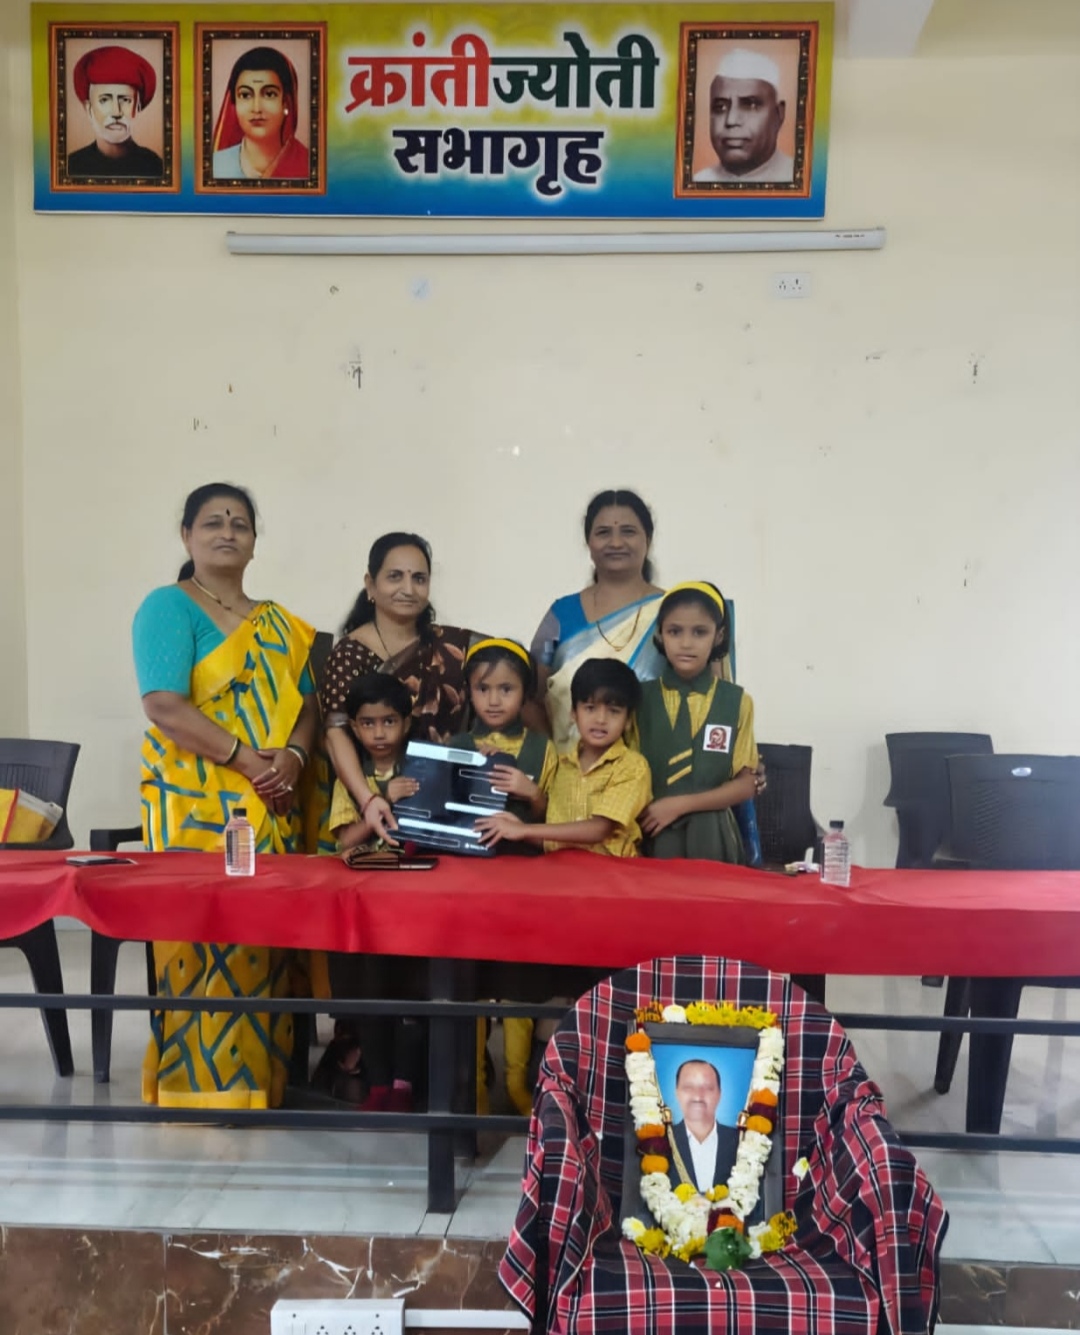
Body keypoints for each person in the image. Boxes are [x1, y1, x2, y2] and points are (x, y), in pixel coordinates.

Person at [132, 483, 317, 1110]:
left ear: (255, 542)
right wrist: (245, 760)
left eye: (240, 523)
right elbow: (164, 704)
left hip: (273, 798)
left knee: (263, 939)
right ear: (187, 535)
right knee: (201, 936)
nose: (228, 532)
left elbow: (308, 706)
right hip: (194, 803)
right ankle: (198, 1090)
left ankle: (262, 1082)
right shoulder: (168, 606)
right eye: (213, 522)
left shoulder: (280, 623)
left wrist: (292, 758)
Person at [448, 638, 558, 1116]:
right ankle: (472, 1085)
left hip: (525, 882)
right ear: (468, 692)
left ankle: (517, 1082)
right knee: (469, 979)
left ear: (525, 694)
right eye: (483, 688)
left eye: (506, 689)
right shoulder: (456, 746)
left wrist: (530, 792)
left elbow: (557, 817)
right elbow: (440, 812)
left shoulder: (543, 749)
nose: (494, 700)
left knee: (518, 979)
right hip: (468, 881)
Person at [320, 532, 477, 846]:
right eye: (395, 577)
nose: (408, 589)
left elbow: (507, 670)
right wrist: (369, 800)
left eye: (419, 578)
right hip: (368, 806)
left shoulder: (453, 645)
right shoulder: (348, 654)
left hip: (441, 807)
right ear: (370, 584)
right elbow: (336, 736)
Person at [320, 673, 424, 1110]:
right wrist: (382, 797)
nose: (379, 733)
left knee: (412, 995)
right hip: (367, 905)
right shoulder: (352, 777)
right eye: (367, 723)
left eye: (389, 721)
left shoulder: (422, 767)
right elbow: (346, 841)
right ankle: (379, 1084)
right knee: (372, 994)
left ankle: (405, 1084)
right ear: (354, 727)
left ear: (407, 722)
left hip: (414, 903)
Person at [530, 490, 667, 750]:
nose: (616, 542)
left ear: (648, 540)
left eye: (628, 531)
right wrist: (553, 761)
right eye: (603, 532)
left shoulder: (674, 613)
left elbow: (710, 699)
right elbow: (530, 699)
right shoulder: (561, 616)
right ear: (588, 542)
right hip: (571, 770)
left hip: (656, 772)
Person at [477, 659, 651, 857]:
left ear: (628, 721)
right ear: (573, 713)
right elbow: (552, 838)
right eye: (590, 708)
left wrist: (524, 829)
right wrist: (495, 756)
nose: (601, 719)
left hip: (612, 870)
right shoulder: (560, 765)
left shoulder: (632, 767)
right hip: (558, 869)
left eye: (614, 711)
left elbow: (599, 829)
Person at [638, 582, 758, 862]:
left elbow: (746, 784)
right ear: (660, 634)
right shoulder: (639, 699)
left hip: (714, 836)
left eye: (700, 632)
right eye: (674, 631)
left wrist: (680, 805)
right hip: (654, 833)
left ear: (719, 636)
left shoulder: (737, 701)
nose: (686, 643)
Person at [693, 48, 794, 184]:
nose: (731, 120)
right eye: (720, 107)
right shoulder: (698, 181)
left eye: (750, 105)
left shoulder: (801, 179)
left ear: (778, 115)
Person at [211, 46, 310, 181]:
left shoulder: (310, 166)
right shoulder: (215, 167)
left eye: (269, 94)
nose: (257, 108)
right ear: (234, 103)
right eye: (245, 95)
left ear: (286, 102)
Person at [68, 44, 163, 178]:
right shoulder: (72, 166)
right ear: (89, 109)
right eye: (104, 100)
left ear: (137, 107)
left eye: (125, 100)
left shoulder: (155, 166)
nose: (116, 112)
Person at [666, 1059, 740, 1193]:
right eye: (688, 1088)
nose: (697, 1097)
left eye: (707, 1088)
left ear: (719, 1094)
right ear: (677, 1093)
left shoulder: (742, 1142)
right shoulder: (662, 1142)